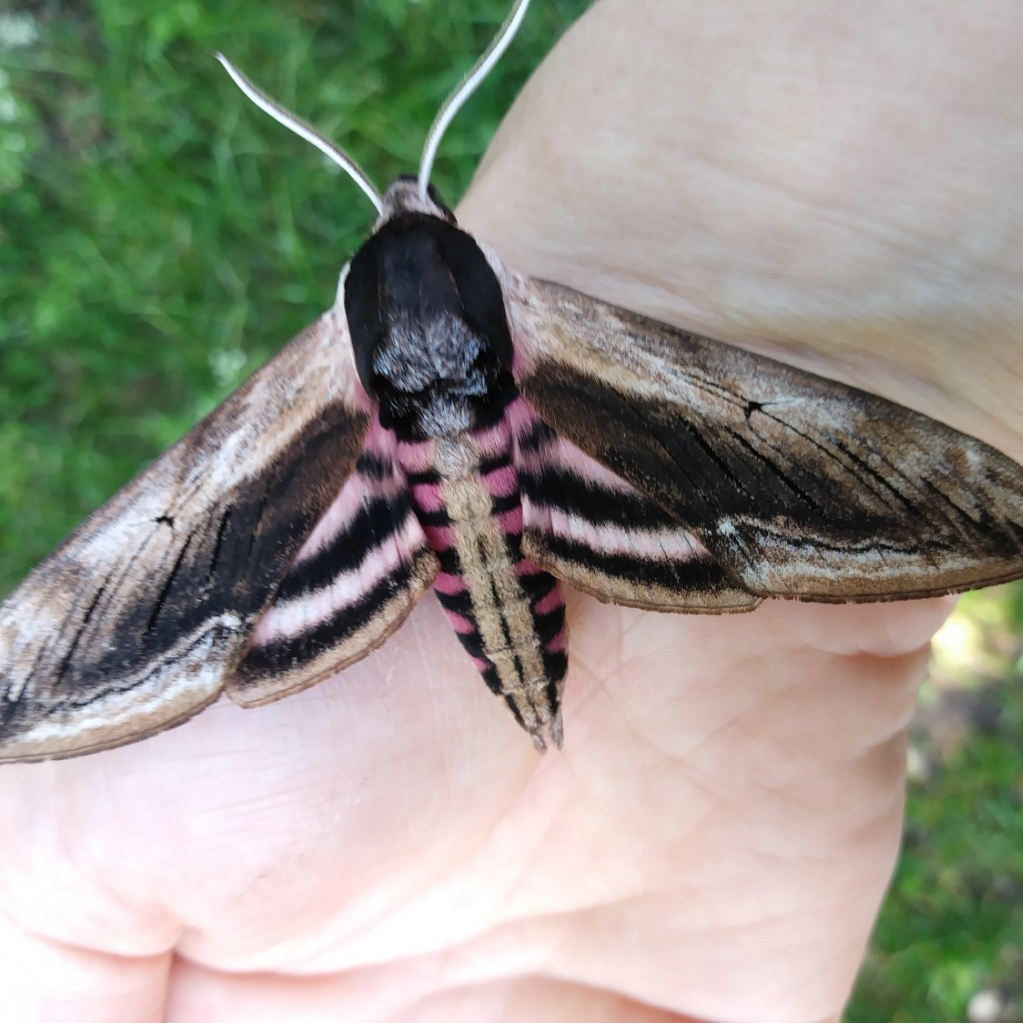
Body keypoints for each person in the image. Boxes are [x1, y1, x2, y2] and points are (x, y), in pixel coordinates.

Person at [2, 1, 1021, 1019]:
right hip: (597, 498)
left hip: (372, 552)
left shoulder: (317, 385)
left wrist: (31, 672)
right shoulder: (545, 322)